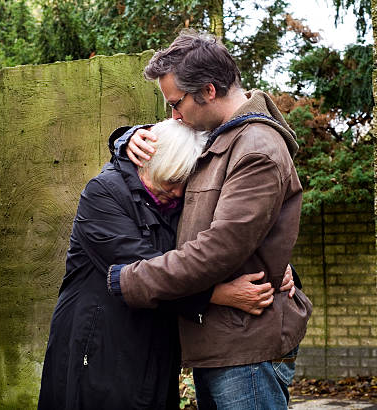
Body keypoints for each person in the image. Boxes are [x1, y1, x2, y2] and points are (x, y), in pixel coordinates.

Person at [107, 31, 313, 409]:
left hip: (246, 347)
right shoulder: (219, 138)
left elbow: (219, 250)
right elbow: (172, 147)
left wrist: (133, 280)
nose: (173, 116)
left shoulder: (256, 149)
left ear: (209, 90)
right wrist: (127, 138)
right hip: (223, 343)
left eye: (176, 103)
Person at [38, 119, 296, 409]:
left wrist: (270, 266)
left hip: (154, 347)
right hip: (99, 347)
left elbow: (218, 244)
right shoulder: (103, 193)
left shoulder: (172, 200)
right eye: (172, 182)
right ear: (148, 164)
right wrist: (218, 295)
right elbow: (147, 269)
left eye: (184, 185)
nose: (177, 193)